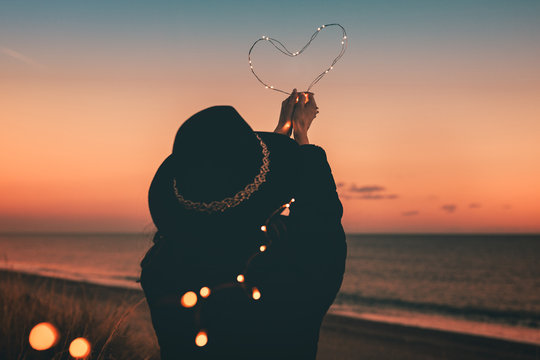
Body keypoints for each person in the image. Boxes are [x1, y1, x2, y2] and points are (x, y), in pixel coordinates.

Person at [140, 89, 347, 359]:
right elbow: (321, 223)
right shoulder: (286, 277)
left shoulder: (160, 269)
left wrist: (278, 140)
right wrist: (301, 138)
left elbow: (235, 193)